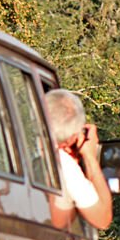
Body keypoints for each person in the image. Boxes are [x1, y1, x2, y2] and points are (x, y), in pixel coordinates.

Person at [44, 89, 113, 230]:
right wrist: (90, 156)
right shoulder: (63, 164)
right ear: (72, 138)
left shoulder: (22, 143)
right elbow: (103, 219)